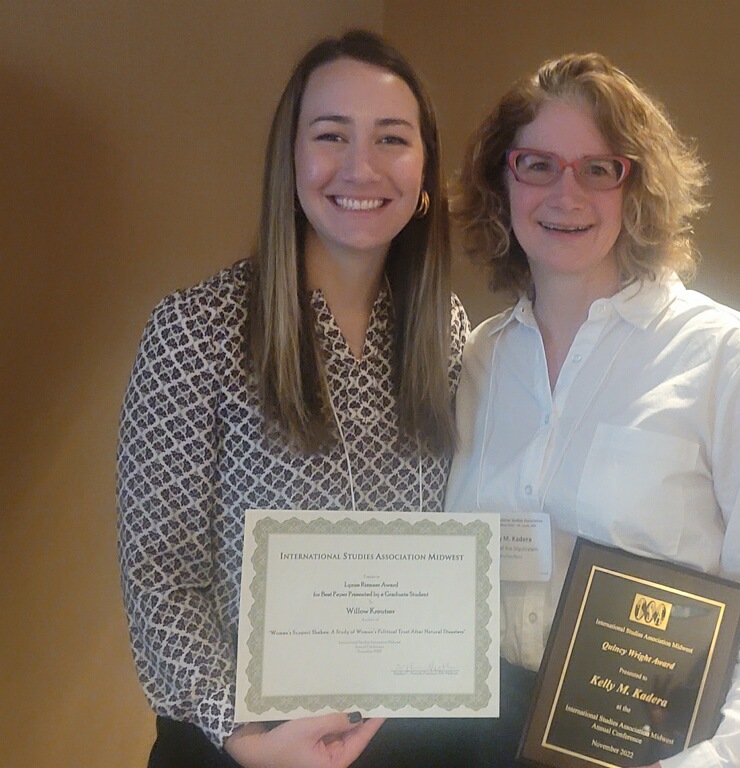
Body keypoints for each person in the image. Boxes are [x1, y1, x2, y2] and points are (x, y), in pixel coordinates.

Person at [446, 52, 740, 768]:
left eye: (599, 169)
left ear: (637, 186)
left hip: (645, 748)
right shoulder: (478, 359)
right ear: (502, 181)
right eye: (537, 165)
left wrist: (718, 762)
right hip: (471, 737)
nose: (566, 194)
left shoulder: (724, 360)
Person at [117, 30, 471, 768]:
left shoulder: (447, 332)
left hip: (405, 739)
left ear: (425, 173)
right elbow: (160, 575)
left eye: (392, 138)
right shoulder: (196, 330)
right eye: (331, 135)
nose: (361, 167)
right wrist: (246, 736)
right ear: (291, 160)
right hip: (242, 746)